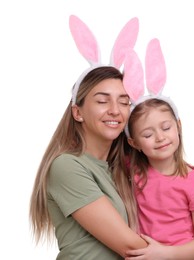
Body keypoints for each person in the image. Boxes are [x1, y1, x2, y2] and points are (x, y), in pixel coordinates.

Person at [29, 16, 149, 259]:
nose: (115, 110)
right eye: (102, 101)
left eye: (124, 102)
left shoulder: (119, 170)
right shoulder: (67, 166)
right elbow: (129, 246)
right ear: (78, 112)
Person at [122, 39, 194, 260]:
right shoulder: (132, 170)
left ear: (178, 126)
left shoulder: (193, 179)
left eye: (166, 127)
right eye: (147, 134)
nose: (160, 137)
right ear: (134, 143)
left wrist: (165, 254)